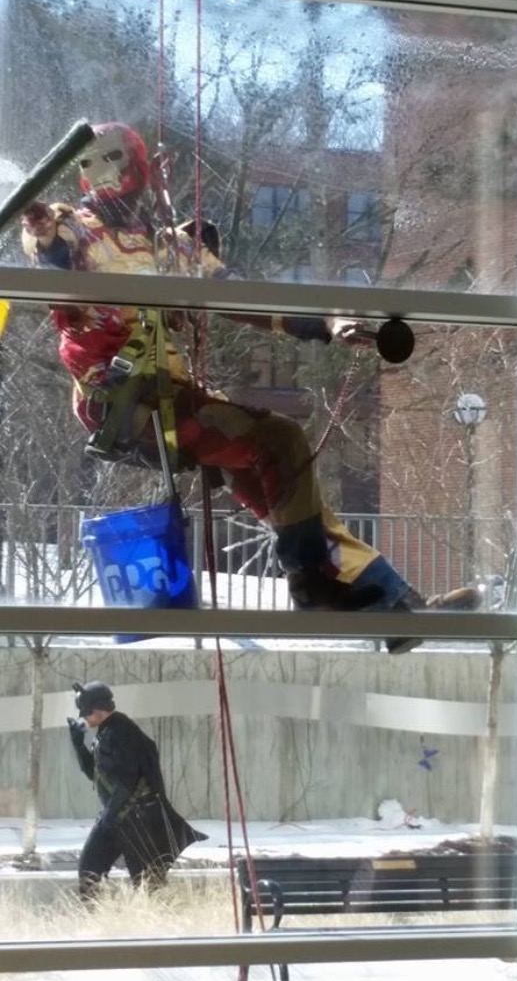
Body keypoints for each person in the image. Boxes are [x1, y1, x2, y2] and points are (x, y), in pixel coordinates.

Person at [22, 122, 480, 647]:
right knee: (280, 438)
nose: (101, 171)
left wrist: (326, 323)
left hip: (169, 396)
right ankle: (313, 588)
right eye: (89, 162)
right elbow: (51, 248)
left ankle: (394, 605)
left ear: (137, 162)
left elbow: (243, 299)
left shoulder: (172, 248)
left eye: (111, 157)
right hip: (124, 399)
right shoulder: (77, 228)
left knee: (289, 492)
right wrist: (43, 231)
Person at [67, 679, 208, 899]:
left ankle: (155, 919)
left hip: (138, 820)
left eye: (85, 713)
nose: (83, 718)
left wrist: (109, 817)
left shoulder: (122, 732)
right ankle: (96, 917)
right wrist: (78, 744)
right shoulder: (106, 732)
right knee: (89, 870)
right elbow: (94, 774)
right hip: (117, 817)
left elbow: (127, 781)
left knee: (148, 886)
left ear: (97, 710)